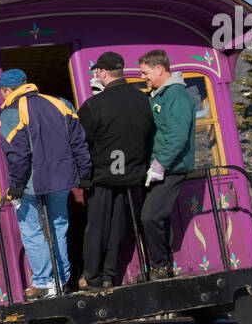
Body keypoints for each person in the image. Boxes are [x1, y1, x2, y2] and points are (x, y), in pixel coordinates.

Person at [0, 68, 92, 299]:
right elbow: (79, 142)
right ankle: (61, 279)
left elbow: (17, 156)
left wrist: (16, 186)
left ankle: (43, 282)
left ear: (8, 90)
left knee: (32, 229)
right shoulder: (61, 104)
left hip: (31, 183)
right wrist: (85, 173)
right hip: (63, 180)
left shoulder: (11, 112)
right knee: (59, 227)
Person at [77, 52, 154, 287]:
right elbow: (149, 134)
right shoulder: (143, 99)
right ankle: (110, 274)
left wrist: (82, 176)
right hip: (132, 176)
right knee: (117, 228)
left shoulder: (94, 105)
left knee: (97, 229)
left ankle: (92, 276)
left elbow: (82, 142)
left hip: (102, 176)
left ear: (102, 72)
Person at [138, 49, 197, 280]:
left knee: (150, 216)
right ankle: (164, 264)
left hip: (172, 167)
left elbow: (177, 135)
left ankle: (161, 265)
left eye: (145, 73)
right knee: (158, 216)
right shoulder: (159, 95)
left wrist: (160, 164)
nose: (144, 77)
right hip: (160, 166)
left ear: (159, 69)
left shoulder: (176, 96)